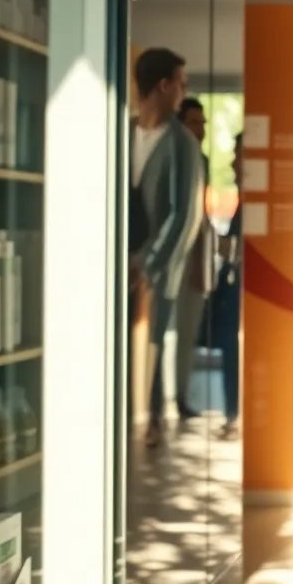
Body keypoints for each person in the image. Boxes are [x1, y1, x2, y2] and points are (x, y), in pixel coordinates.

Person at [130, 48, 206, 447]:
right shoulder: (120, 131)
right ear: (163, 85)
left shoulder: (182, 146)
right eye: (182, 83)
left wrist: (148, 265)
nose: (184, 91)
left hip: (155, 269)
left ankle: (152, 419)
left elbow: (185, 216)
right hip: (116, 263)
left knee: (153, 341)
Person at [157, 96, 215, 423]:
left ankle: (179, 395)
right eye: (195, 122)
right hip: (167, 258)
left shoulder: (202, 162)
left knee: (187, 331)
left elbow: (201, 215)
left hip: (192, 258)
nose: (202, 129)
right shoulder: (169, 158)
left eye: (203, 123)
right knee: (161, 332)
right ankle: (157, 402)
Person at [211, 133, 244, 439]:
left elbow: (239, 250)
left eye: (239, 154)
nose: (234, 162)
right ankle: (232, 414)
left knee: (234, 351)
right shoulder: (242, 200)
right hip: (235, 288)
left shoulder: (250, 203)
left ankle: (234, 415)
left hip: (242, 291)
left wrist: (213, 241)